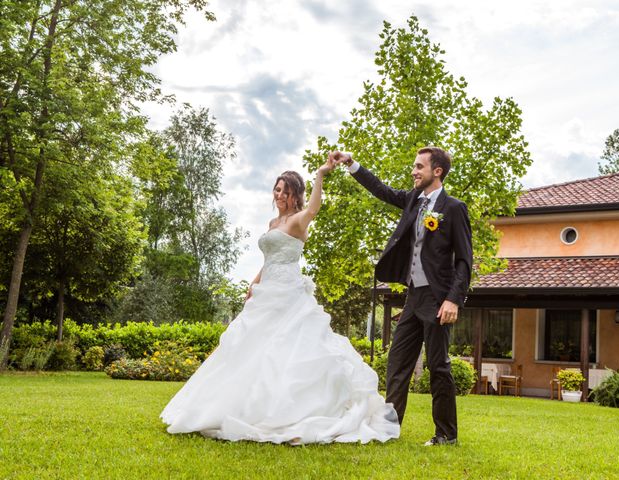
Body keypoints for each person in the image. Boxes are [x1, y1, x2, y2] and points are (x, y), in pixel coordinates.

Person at [160, 156, 399, 445]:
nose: (280, 196)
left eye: (286, 191)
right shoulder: (273, 221)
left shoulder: (299, 220)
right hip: (266, 291)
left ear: (295, 194)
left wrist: (321, 174)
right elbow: (271, 257)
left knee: (285, 350)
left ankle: (288, 410)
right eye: (277, 190)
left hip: (288, 294)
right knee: (248, 347)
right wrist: (255, 281)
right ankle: (238, 404)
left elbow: (314, 208)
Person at [332, 147, 473, 446]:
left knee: (438, 367)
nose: (413, 171)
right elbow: (381, 190)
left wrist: (453, 299)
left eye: (419, 166)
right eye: (414, 166)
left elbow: (464, 260)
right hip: (413, 297)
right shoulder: (412, 200)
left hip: (438, 299)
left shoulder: (454, 208)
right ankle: (388, 428)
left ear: (437, 171)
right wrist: (352, 164)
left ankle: (446, 435)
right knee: (397, 363)